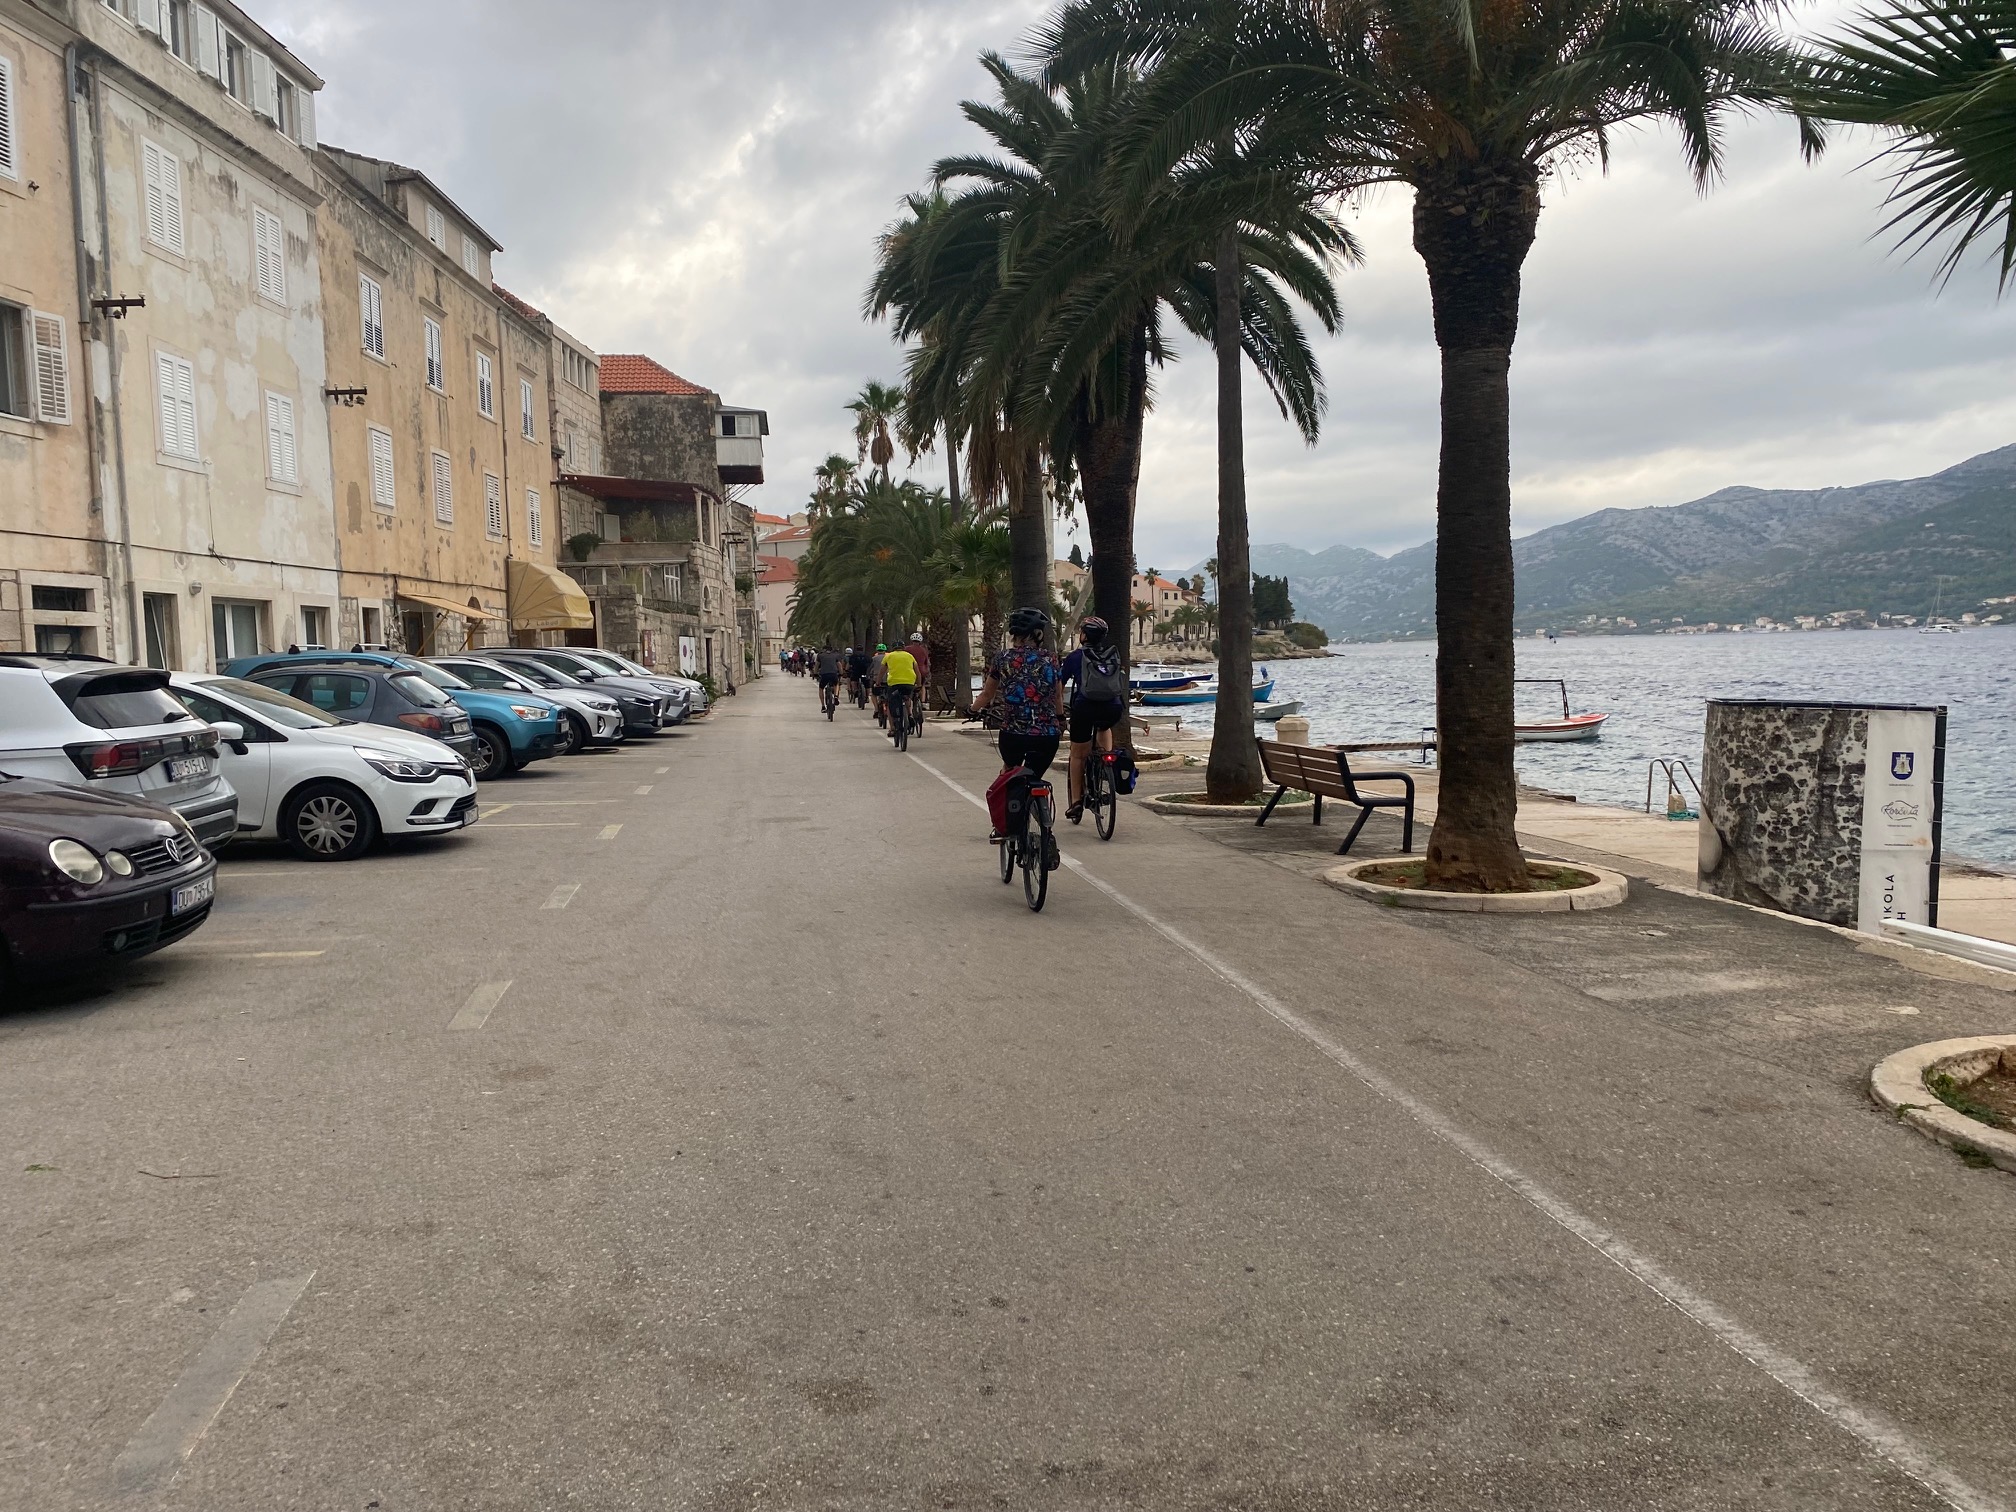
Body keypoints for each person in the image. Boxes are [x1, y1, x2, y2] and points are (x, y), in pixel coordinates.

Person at [973, 607, 1065, 840]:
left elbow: (987, 694)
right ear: (1038, 634)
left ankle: (1003, 826)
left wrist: (972, 710)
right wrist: (1060, 718)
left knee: (1010, 772)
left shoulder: (1003, 658)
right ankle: (1039, 815)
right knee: (1035, 774)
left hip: (1013, 734)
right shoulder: (1051, 659)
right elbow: (1057, 696)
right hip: (1047, 735)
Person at [1060, 615, 1128, 821]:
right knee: (1104, 727)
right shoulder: (1112, 655)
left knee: (1077, 755)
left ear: (1084, 636)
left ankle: (1076, 802)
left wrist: (1058, 713)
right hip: (1113, 709)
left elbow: (1058, 687)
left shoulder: (1075, 657)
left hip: (1084, 709)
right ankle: (1107, 761)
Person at [883, 638, 919, 739]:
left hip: (894, 683)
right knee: (907, 697)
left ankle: (892, 728)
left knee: (890, 704)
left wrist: (877, 683)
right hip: (909, 682)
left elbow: (882, 671)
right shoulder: (910, 656)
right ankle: (909, 714)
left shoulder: (888, 656)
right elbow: (917, 671)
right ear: (903, 647)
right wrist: (919, 684)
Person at [904, 630, 933, 712]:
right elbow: (927, 662)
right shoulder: (924, 650)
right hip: (922, 671)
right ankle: (922, 702)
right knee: (922, 686)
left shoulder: (907, 649)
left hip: (910, 671)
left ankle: (908, 702)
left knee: (909, 686)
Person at [869, 643, 890, 723]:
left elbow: (870, 668)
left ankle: (876, 709)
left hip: (877, 679)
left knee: (874, 694)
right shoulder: (889, 657)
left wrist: (869, 675)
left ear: (877, 650)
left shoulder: (874, 658)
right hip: (888, 679)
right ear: (885, 650)